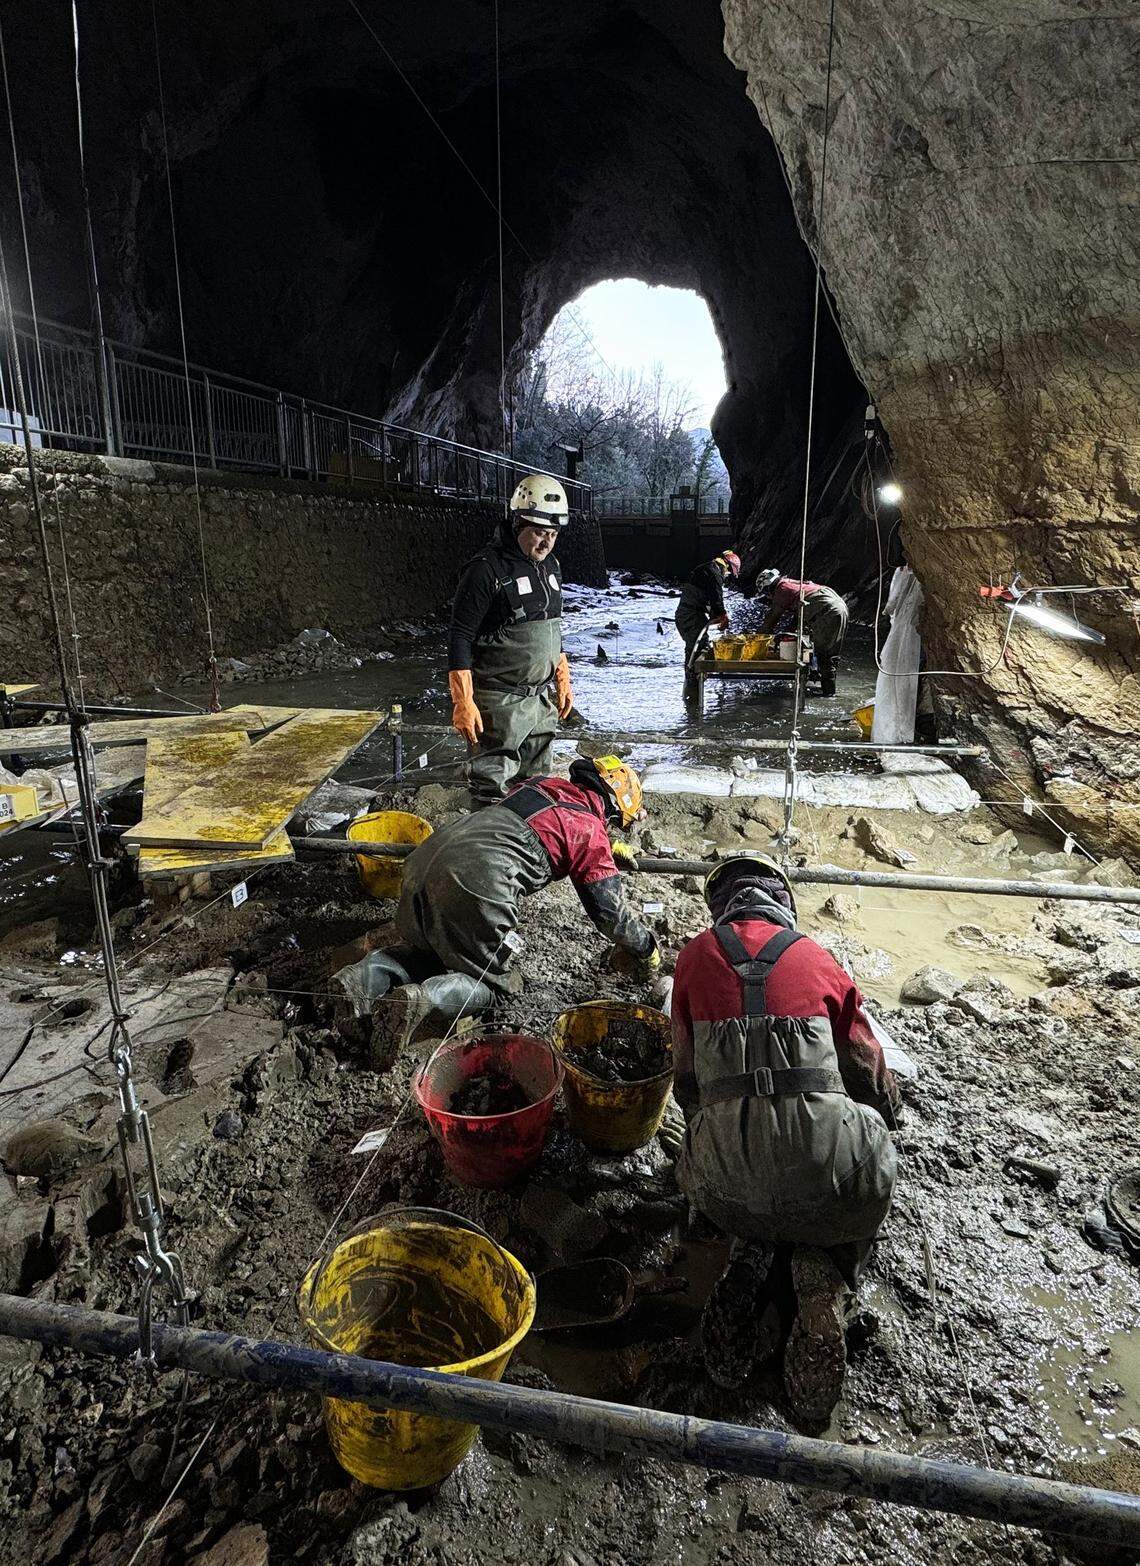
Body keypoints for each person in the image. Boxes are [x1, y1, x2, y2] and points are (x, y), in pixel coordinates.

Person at [670, 852, 899, 1426]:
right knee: (862, 1145)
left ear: (721, 908)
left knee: (720, 1155)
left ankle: (750, 1245)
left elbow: (685, 1081)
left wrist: (730, 1133)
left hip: (724, 1187)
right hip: (830, 1181)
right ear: (783, 903)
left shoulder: (693, 959)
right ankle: (828, 1277)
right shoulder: (818, 958)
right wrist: (876, 1114)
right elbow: (870, 1071)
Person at [350, 757, 660, 1052]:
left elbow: (551, 823)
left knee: (426, 949)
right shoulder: (590, 832)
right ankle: (425, 1000)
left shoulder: (542, 784)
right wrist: (646, 946)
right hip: (478, 880)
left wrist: (602, 843)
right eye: (616, 824)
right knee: (492, 985)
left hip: (426, 859)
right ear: (613, 811)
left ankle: (358, 979)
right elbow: (609, 915)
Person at [448, 474, 575, 806]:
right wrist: (464, 701)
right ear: (517, 523)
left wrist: (561, 674)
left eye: (553, 534)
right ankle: (488, 852)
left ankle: (526, 852)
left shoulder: (551, 567)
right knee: (492, 789)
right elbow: (460, 636)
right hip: (499, 704)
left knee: (537, 789)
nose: (546, 543)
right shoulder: (485, 570)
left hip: (539, 702)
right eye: (538, 533)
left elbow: (549, 625)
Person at [756, 568, 848, 696]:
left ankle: (826, 693)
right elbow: (796, 621)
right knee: (829, 653)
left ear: (768, 588)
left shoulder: (781, 590)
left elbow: (770, 622)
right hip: (840, 607)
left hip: (826, 610)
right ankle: (824, 686)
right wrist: (785, 634)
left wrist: (756, 642)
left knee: (824, 657)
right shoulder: (794, 584)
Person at [675, 551, 741, 694]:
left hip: (691, 614)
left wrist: (716, 614)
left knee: (699, 645)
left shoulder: (707, 569)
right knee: (697, 646)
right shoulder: (714, 573)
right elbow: (717, 598)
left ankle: (693, 682)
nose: (726, 577)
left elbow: (709, 598)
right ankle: (693, 684)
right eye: (728, 574)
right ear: (728, 567)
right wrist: (723, 615)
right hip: (690, 616)